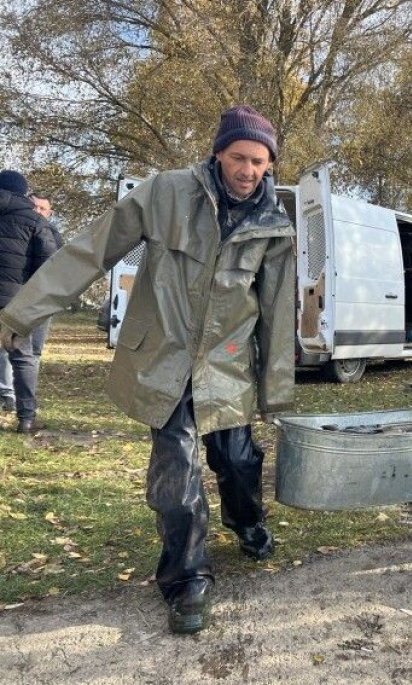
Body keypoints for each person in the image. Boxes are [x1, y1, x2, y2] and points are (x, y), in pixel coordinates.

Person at [0, 105, 296, 635]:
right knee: (176, 475)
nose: (248, 171)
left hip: (227, 364)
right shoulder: (165, 193)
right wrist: (18, 316)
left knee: (237, 462)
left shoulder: (274, 224)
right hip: (165, 358)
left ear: (270, 164)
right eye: (238, 157)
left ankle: (247, 521)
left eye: (258, 162)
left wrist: (275, 393)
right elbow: (89, 252)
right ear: (218, 153)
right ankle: (187, 581)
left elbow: (275, 310)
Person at [0, 170, 58, 432]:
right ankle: (26, 418)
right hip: (17, 300)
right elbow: (49, 265)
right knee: (23, 358)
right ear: (24, 192)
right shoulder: (35, 221)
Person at [27, 193, 64, 360]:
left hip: (42, 298)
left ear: (50, 213)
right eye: (33, 206)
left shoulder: (55, 236)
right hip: (15, 294)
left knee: (34, 349)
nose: (37, 211)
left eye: (42, 208)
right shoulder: (13, 227)